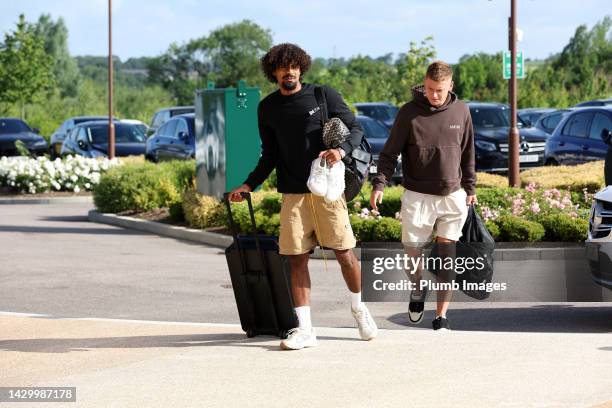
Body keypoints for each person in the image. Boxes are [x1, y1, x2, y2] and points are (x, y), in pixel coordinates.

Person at [229, 43, 378, 350]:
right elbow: (268, 155)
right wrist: (249, 185)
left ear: (301, 67)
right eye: (283, 68)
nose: (289, 72)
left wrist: (341, 150)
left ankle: (359, 309)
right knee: (296, 260)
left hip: (329, 191)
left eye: (294, 66)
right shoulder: (267, 108)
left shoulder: (323, 95)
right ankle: (306, 329)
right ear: (274, 72)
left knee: (344, 254)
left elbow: (356, 130)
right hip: (293, 194)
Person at [370, 61, 477, 331]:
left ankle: (441, 316)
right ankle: (418, 290)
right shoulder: (408, 113)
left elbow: (468, 153)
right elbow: (389, 152)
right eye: (430, 89)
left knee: (447, 257)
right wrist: (380, 184)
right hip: (417, 195)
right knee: (411, 256)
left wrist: (471, 188)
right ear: (424, 84)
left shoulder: (461, 111)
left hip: (453, 196)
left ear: (450, 86)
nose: (435, 95)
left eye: (440, 90)